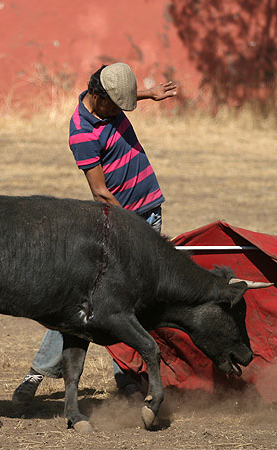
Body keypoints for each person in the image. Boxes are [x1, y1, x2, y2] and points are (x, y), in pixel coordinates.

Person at [13, 62, 177, 405]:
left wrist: (149, 93)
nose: (121, 110)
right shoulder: (82, 134)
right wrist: (132, 232)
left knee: (126, 304)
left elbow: (124, 94)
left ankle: (125, 376)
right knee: (85, 304)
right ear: (100, 98)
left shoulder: (108, 99)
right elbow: (100, 193)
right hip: (123, 224)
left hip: (150, 213)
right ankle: (37, 372)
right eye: (117, 104)